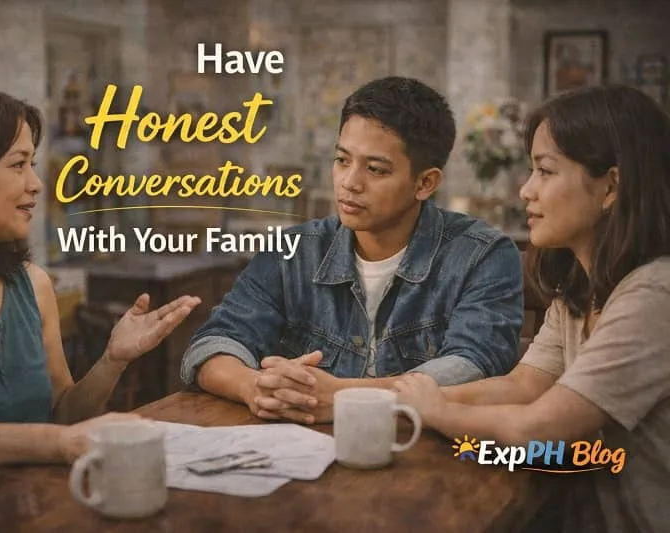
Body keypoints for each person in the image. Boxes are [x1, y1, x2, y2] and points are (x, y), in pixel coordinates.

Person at [0, 84, 201, 493]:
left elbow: (64, 415)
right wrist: (56, 444)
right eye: (17, 165)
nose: (36, 184)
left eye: (33, 164)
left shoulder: (33, 284)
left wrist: (113, 360)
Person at [393, 84, 670, 533]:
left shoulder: (654, 295)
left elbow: (539, 428)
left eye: (544, 171)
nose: (525, 191)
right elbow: (523, 385)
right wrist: (405, 400)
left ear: (611, 186)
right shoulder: (580, 288)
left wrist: (436, 411)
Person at [180, 76, 524, 424]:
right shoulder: (293, 251)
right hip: (304, 456)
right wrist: (253, 386)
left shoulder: (483, 256)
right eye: (343, 160)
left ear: (425, 183)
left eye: (374, 169)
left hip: (424, 458)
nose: (349, 182)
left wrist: (347, 397)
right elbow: (212, 345)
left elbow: (473, 365)